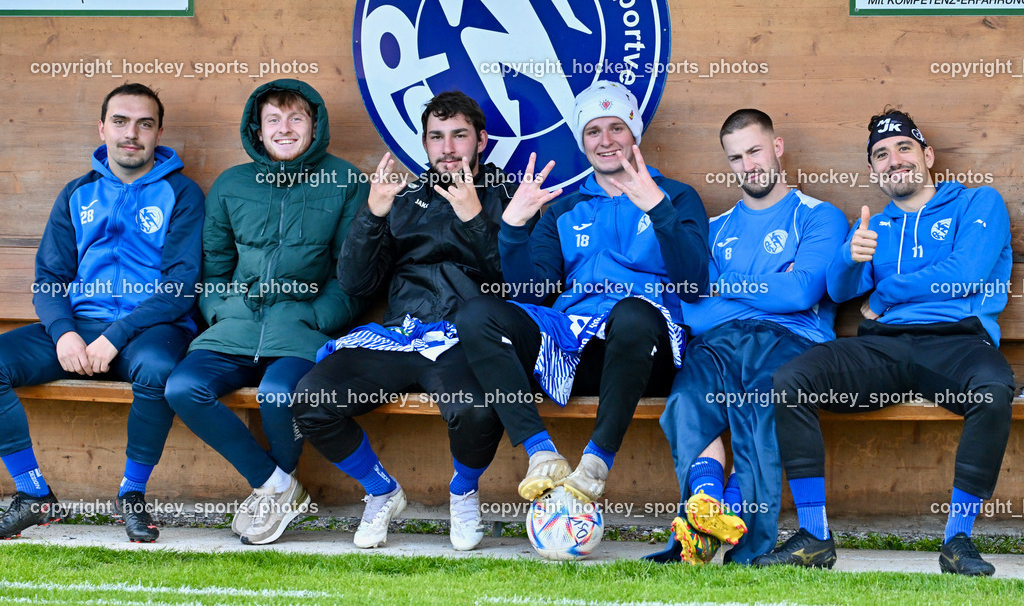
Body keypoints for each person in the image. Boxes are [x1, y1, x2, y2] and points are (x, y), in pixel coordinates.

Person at [755, 109, 1015, 576]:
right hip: (886, 346)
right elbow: (837, 290)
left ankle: (958, 540)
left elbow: (966, 274)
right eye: (881, 155)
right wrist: (851, 259)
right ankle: (815, 536)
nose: (894, 160)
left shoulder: (979, 202)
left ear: (927, 155)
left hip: (957, 344)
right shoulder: (875, 228)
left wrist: (886, 291)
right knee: (791, 378)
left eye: (903, 149)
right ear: (874, 171)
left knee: (994, 390)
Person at [457, 80, 709, 505]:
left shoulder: (678, 196)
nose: (606, 141)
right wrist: (514, 230)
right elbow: (530, 293)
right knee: (477, 314)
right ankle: (541, 454)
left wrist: (658, 209)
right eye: (594, 131)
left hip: (646, 353)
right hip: (576, 352)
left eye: (617, 128)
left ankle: (596, 462)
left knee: (633, 312)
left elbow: (694, 283)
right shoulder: (563, 208)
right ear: (583, 142)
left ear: (635, 135)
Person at [293, 91, 518, 551]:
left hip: (466, 336)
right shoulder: (404, 196)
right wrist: (373, 213)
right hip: (400, 336)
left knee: (479, 407)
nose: (448, 147)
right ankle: (381, 491)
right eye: (436, 137)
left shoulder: (508, 194)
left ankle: (463, 493)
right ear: (425, 143)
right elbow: (356, 283)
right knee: (311, 399)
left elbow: (521, 285)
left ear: (483, 140)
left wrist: (476, 218)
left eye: (459, 135)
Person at [165, 79, 368, 545]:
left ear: (314, 125)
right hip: (235, 326)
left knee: (280, 393)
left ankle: (272, 500)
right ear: (257, 130)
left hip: (299, 328)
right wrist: (218, 311)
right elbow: (213, 269)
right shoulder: (232, 184)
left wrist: (318, 317)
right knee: (182, 386)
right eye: (273, 119)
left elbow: (352, 275)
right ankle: (277, 487)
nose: (284, 128)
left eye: (296, 118)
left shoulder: (345, 182)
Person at [0, 83, 204, 542]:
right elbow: (49, 279)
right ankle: (33, 494)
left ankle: (132, 494)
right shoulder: (77, 192)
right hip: (79, 325)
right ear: (102, 127)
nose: (131, 133)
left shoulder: (182, 193)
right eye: (120, 121)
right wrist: (64, 333)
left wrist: (116, 335)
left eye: (144, 124)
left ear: (158, 133)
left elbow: (181, 286)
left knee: (158, 368)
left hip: (151, 327)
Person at [644, 109, 847, 565]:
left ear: (777, 148)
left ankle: (737, 528)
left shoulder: (820, 217)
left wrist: (727, 283)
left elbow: (802, 291)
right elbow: (696, 310)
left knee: (759, 409)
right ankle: (706, 511)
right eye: (736, 157)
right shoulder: (713, 229)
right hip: (716, 342)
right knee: (686, 402)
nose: (748, 164)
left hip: (789, 338)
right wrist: (769, 285)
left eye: (755, 150)